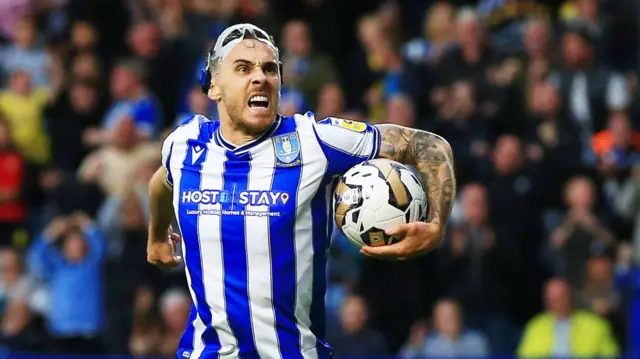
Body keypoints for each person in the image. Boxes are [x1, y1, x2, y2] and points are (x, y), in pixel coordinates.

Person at [146, 23, 456, 359]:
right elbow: (162, 182)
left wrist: (437, 223)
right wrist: (157, 235)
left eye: (270, 69)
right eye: (243, 68)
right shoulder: (184, 144)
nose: (260, 77)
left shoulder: (313, 141)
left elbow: (429, 145)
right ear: (214, 87)